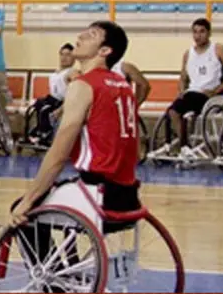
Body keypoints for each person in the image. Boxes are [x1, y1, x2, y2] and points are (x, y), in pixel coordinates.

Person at [10, 21, 140, 231]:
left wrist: (28, 200)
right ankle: (68, 252)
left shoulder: (84, 85)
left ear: (104, 51)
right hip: (129, 195)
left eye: (92, 35)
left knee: (22, 212)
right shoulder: (123, 85)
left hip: (97, 195)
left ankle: (52, 257)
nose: (81, 36)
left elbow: (59, 155)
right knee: (58, 194)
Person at [163, 19, 223, 157]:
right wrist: (181, 90)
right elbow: (183, 78)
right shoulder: (188, 54)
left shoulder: (219, 49)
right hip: (192, 93)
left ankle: (184, 146)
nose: (198, 36)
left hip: (211, 95)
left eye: (202, 32)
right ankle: (177, 144)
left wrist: (216, 91)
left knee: (174, 111)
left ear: (209, 33)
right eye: (195, 32)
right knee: (171, 112)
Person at [26, 43, 76, 147]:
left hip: (64, 103)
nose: (64, 57)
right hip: (53, 100)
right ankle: (38, 132)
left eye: (68, 55)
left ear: (74, 58)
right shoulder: (55, 73)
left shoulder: (72, 73)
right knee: (38, 104)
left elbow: (73, 95)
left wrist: (60, 110)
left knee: (45, 109)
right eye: (62, 54)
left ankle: (45, 133)